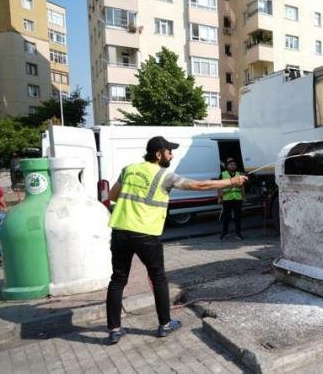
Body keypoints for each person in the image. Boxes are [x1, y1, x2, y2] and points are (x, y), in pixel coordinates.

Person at [105, 136, 247, 345]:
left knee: (117, 280)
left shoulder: (128, 169)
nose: (172, 154)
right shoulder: (165, 176)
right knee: (159, 278)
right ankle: (165, 324)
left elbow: (113, 195)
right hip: (146, 234)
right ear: (158, 154)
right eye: (169, 151)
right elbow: (199, 185)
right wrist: (232, 181)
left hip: (120, 232)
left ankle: (114, 330)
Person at [218, 157, 245, 240]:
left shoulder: (239, 174)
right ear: (227, 166)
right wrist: (219, 197)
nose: (233, 166)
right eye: (231, 165)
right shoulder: (223, 174)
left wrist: (243, 197)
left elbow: (242, 187)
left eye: (234, 165)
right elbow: (219, 187)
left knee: (238, 217)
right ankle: (225, 233)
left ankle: (238, 233)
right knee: (226, 217)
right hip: (227, 199)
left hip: (237, 198)